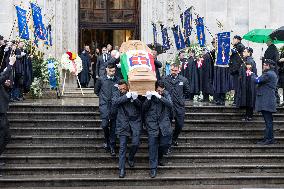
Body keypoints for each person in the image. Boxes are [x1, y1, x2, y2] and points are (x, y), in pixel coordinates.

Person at [111, 80, 141, 178]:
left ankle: (131, 157)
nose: (122, 90)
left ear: (127, 86)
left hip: (134, 122)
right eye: (121, 88)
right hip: (122, 123)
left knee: (136, 143)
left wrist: (135, 98)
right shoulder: (116, 94)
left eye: (124, 88)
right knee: (122, 147)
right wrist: (126, 96)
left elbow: (141, 106)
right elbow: (115, 102)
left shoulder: (133, 91)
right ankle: (122, 169)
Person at [143, 81, 173, 178]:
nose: (160, 92)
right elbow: (143, 109)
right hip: (152, 124)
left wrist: (160, 96)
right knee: (152, 146)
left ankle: (159, 158)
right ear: (155, 88)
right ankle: (153, 168)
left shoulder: (165, 94)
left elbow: (170, 104)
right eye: (159, 90)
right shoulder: (150, 94)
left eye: (162, 90)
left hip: (164, 124)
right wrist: (148, 99)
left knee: (165, 144)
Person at [249, 59, 278, 145]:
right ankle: (268, 138)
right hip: (268, 101)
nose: (263, 66)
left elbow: (257, 80)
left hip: (266, 101)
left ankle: (269, 139)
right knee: (268, 121)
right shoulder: (271, 74)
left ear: (269, 66)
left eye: (265, 65)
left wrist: (252, 74)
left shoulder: (268, 74)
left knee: (268, 121)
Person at [95, 63, 119, 156]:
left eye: (113, 71)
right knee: (105, 125)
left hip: (114, 106)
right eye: (110, 71)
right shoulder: (101, 79)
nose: (112, 73)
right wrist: (103, 98)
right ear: (106, 70)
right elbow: (96, 91)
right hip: (104, 105)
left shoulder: (117, 80)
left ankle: (112, 146)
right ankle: (106, 139)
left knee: (113, 127)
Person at [162, 64, 190, 146]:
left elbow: (187, 91)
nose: (174, 72)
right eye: (172, 70)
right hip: (168, 106)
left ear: (178, 70)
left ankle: (174, 138)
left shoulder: (183, 80)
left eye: (175, 70)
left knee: (180, 124)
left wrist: (181, 99)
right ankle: (168, 142)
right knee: (167, 125)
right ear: (170, 70)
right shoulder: (164, 79)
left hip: (179, 106)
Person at [0, 55, 16, 173]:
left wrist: (5, 84)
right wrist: (10, 63)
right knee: (3, 136)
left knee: (6, 136)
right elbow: (2, 76)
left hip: (2, 111)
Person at [236, 47, 257, 121]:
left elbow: (249, 74)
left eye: (245, 52)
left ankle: (249, 115)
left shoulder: (249, 61)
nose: (243, 53)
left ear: (249, 53)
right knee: (248, 99)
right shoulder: (246, 61)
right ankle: (247, 115)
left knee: (249, 99)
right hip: (246, 83)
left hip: (248, 84)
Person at [229, 35, 245, 106]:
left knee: (237, 86)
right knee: (236, 86)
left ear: (238, 40)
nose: (233, 40)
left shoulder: (240, 46)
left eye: (234, 39)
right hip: (234, 70)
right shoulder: (236, 47)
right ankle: (235, 101)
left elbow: (236, 50)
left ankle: (237, 101)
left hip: (237, 70)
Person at [263, 39, 280, 105]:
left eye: (267, 41)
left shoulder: (271, 48)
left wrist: (264, 58)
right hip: (274, 69)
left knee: (273, 86)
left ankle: (276, 101)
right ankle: (276, 101)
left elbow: (269, 59)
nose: (266, 42)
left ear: (270, 41)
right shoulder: (273, 48)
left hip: (272, 69)